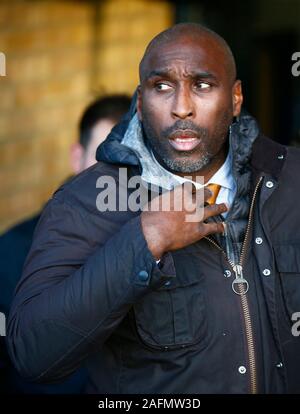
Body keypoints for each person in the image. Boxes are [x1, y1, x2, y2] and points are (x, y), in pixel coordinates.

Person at [6, 23, 300, 394]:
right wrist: (144, 240)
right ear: (141, 103)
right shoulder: (88, 200)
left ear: (236, 98)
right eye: (162, 87)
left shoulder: (291, 181)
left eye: (203, 85)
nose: (182, 108)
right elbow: (33, 353)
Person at [0, 94, 131, 393]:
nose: (114, 180)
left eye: (130, 167)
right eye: (105, 162)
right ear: (77, 157)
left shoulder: (164, 252)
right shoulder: (8, 254)